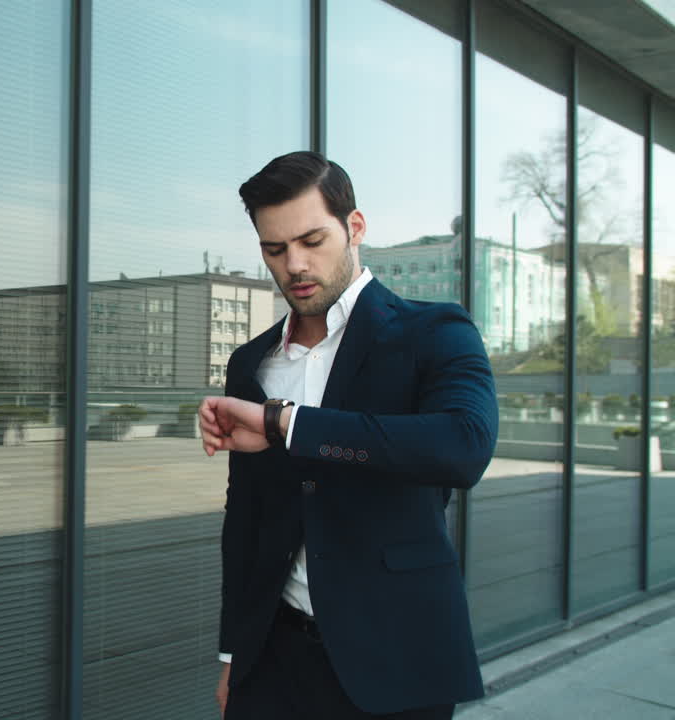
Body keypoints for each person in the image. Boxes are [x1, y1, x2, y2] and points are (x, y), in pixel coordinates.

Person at [198, 151, 498, 719]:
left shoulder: (434, 331)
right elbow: (246, 518)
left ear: (354, 227)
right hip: (274, 655)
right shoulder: (251, 363)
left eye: (312, 240)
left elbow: (464, 447)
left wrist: (286, 424)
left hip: (397, 655)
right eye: (275, 248)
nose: (294, 265)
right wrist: (234, 651)